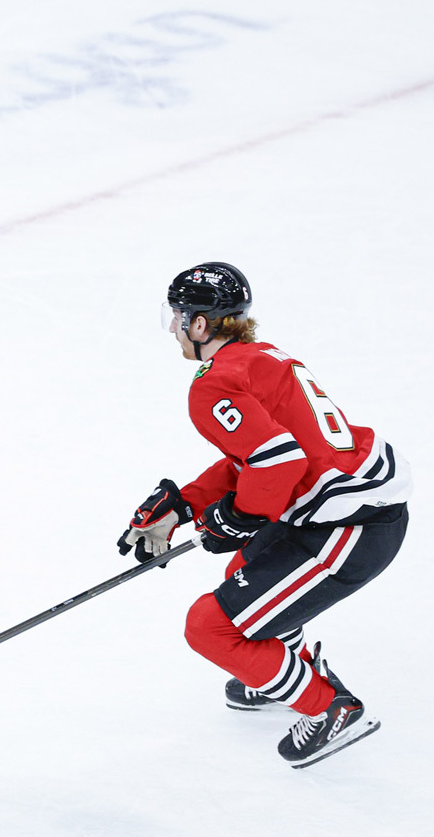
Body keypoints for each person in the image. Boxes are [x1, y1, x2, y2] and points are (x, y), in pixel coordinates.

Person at [117, 262, 410, 768]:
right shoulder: (259, 357)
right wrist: (187, 505)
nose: (173, 329)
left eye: (178, 317)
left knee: (209, 627)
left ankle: (330, 708)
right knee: (243, 573)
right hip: (351, 509)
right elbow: (262, 453)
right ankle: (285, 676)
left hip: (350, 527)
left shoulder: (212, 384)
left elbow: (275, 461)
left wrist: (238, 517)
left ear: (201, 324)